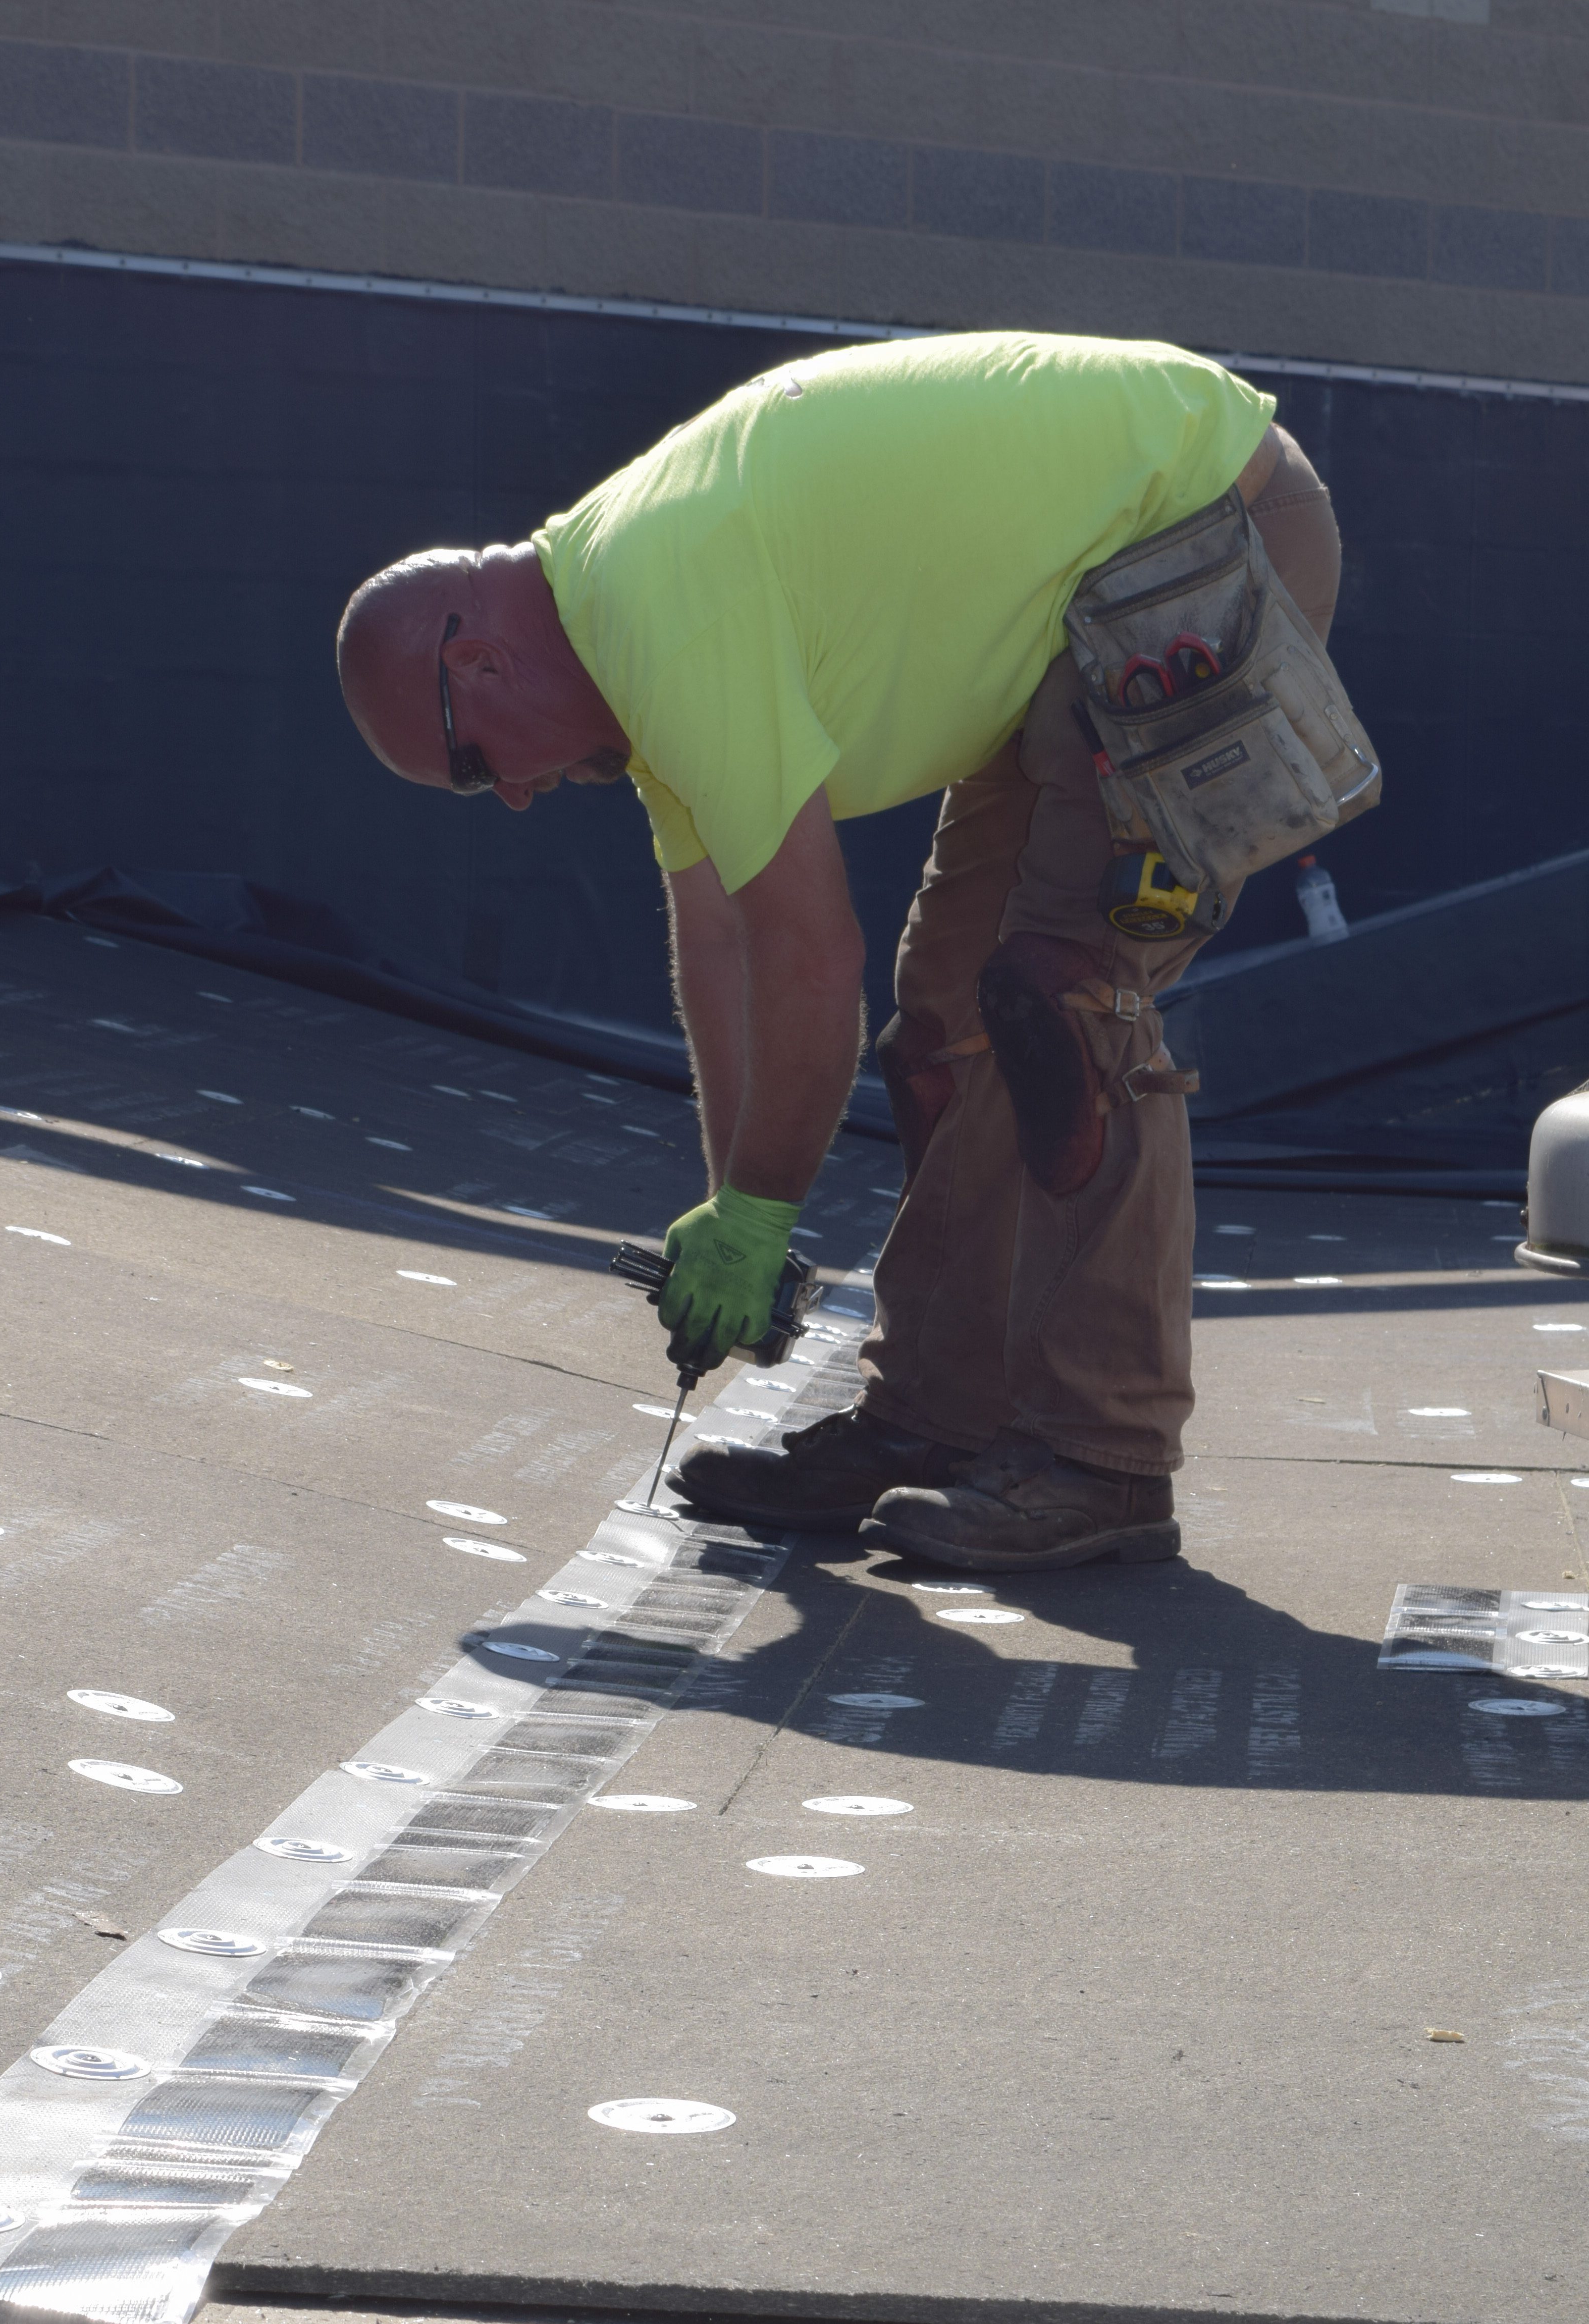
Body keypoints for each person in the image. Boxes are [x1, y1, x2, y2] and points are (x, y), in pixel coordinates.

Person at [335, 332, 1344, 1572]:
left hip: (1200, 535)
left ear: (477, 660)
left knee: (1064, 993)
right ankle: (934, 1421)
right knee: (946, 1029)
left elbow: (810, 955)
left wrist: (760, 1211)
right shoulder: (614, 622)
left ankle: (1103, 1461)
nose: (512, 798)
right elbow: (718, 943)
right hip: (1091, 591)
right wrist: (732, 1211)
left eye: (477, 765)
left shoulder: (657, 604)